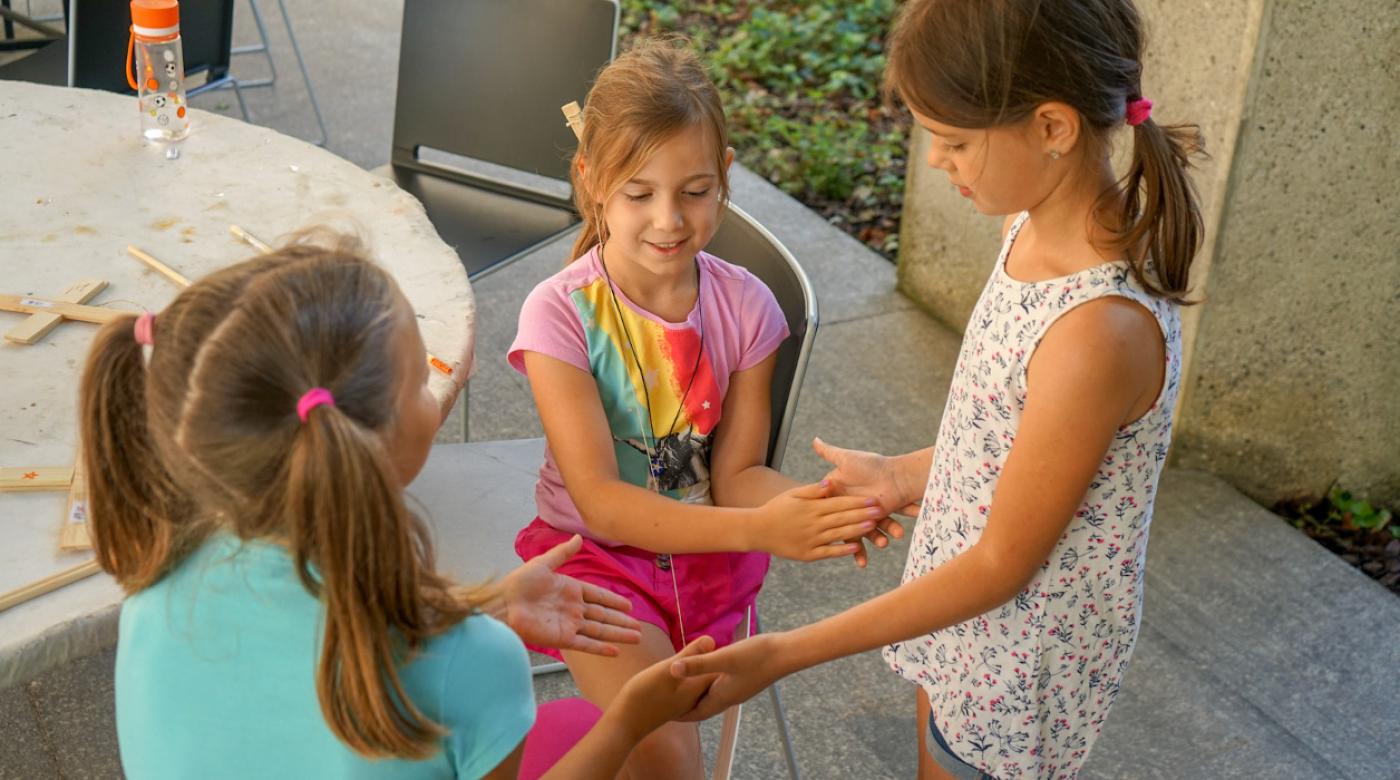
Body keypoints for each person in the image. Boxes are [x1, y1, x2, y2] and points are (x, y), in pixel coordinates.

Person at [669, 1, 1206, 778]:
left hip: (1015, 660)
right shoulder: (1026, 224)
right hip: (966, 625)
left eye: (955, 140)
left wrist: (780, 653)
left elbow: (1000, 565)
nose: (936, 160)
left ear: (1053, 128)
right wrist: (902, 474)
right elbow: (1012, 442)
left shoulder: (1097, 333)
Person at [80, 233, 716, 779]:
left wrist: (478, 609)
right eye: (419, 380)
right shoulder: (471, 665)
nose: (435, 388)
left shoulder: (156, 583)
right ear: (369, 439)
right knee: (585, 722)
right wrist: (631, 719)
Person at [508, 39, 884, 779]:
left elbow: (739, 472)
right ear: (592, 184)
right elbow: (603, 502)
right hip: (597, 565)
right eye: (639, 193)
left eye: (695, 190)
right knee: (663, 753)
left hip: (709, 561)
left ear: (727, 180)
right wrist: (761, 527)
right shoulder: (558, 316)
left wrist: (823, 503)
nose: (669, 219)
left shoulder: (747, 305)